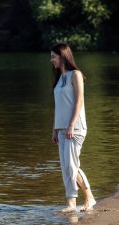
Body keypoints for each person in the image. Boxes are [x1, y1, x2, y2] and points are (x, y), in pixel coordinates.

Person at [50, 43, 96, 212]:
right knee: (65, 166)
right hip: (61, 128)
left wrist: (70, 125)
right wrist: (55, 128)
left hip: (75, 127)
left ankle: (89, 197)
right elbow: (58, 106)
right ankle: (71, 204)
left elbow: (79, 101)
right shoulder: (58, 80)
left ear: (62, 57)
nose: (51, 60)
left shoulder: (75, 75)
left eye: (53, 56)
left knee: (71, 165)